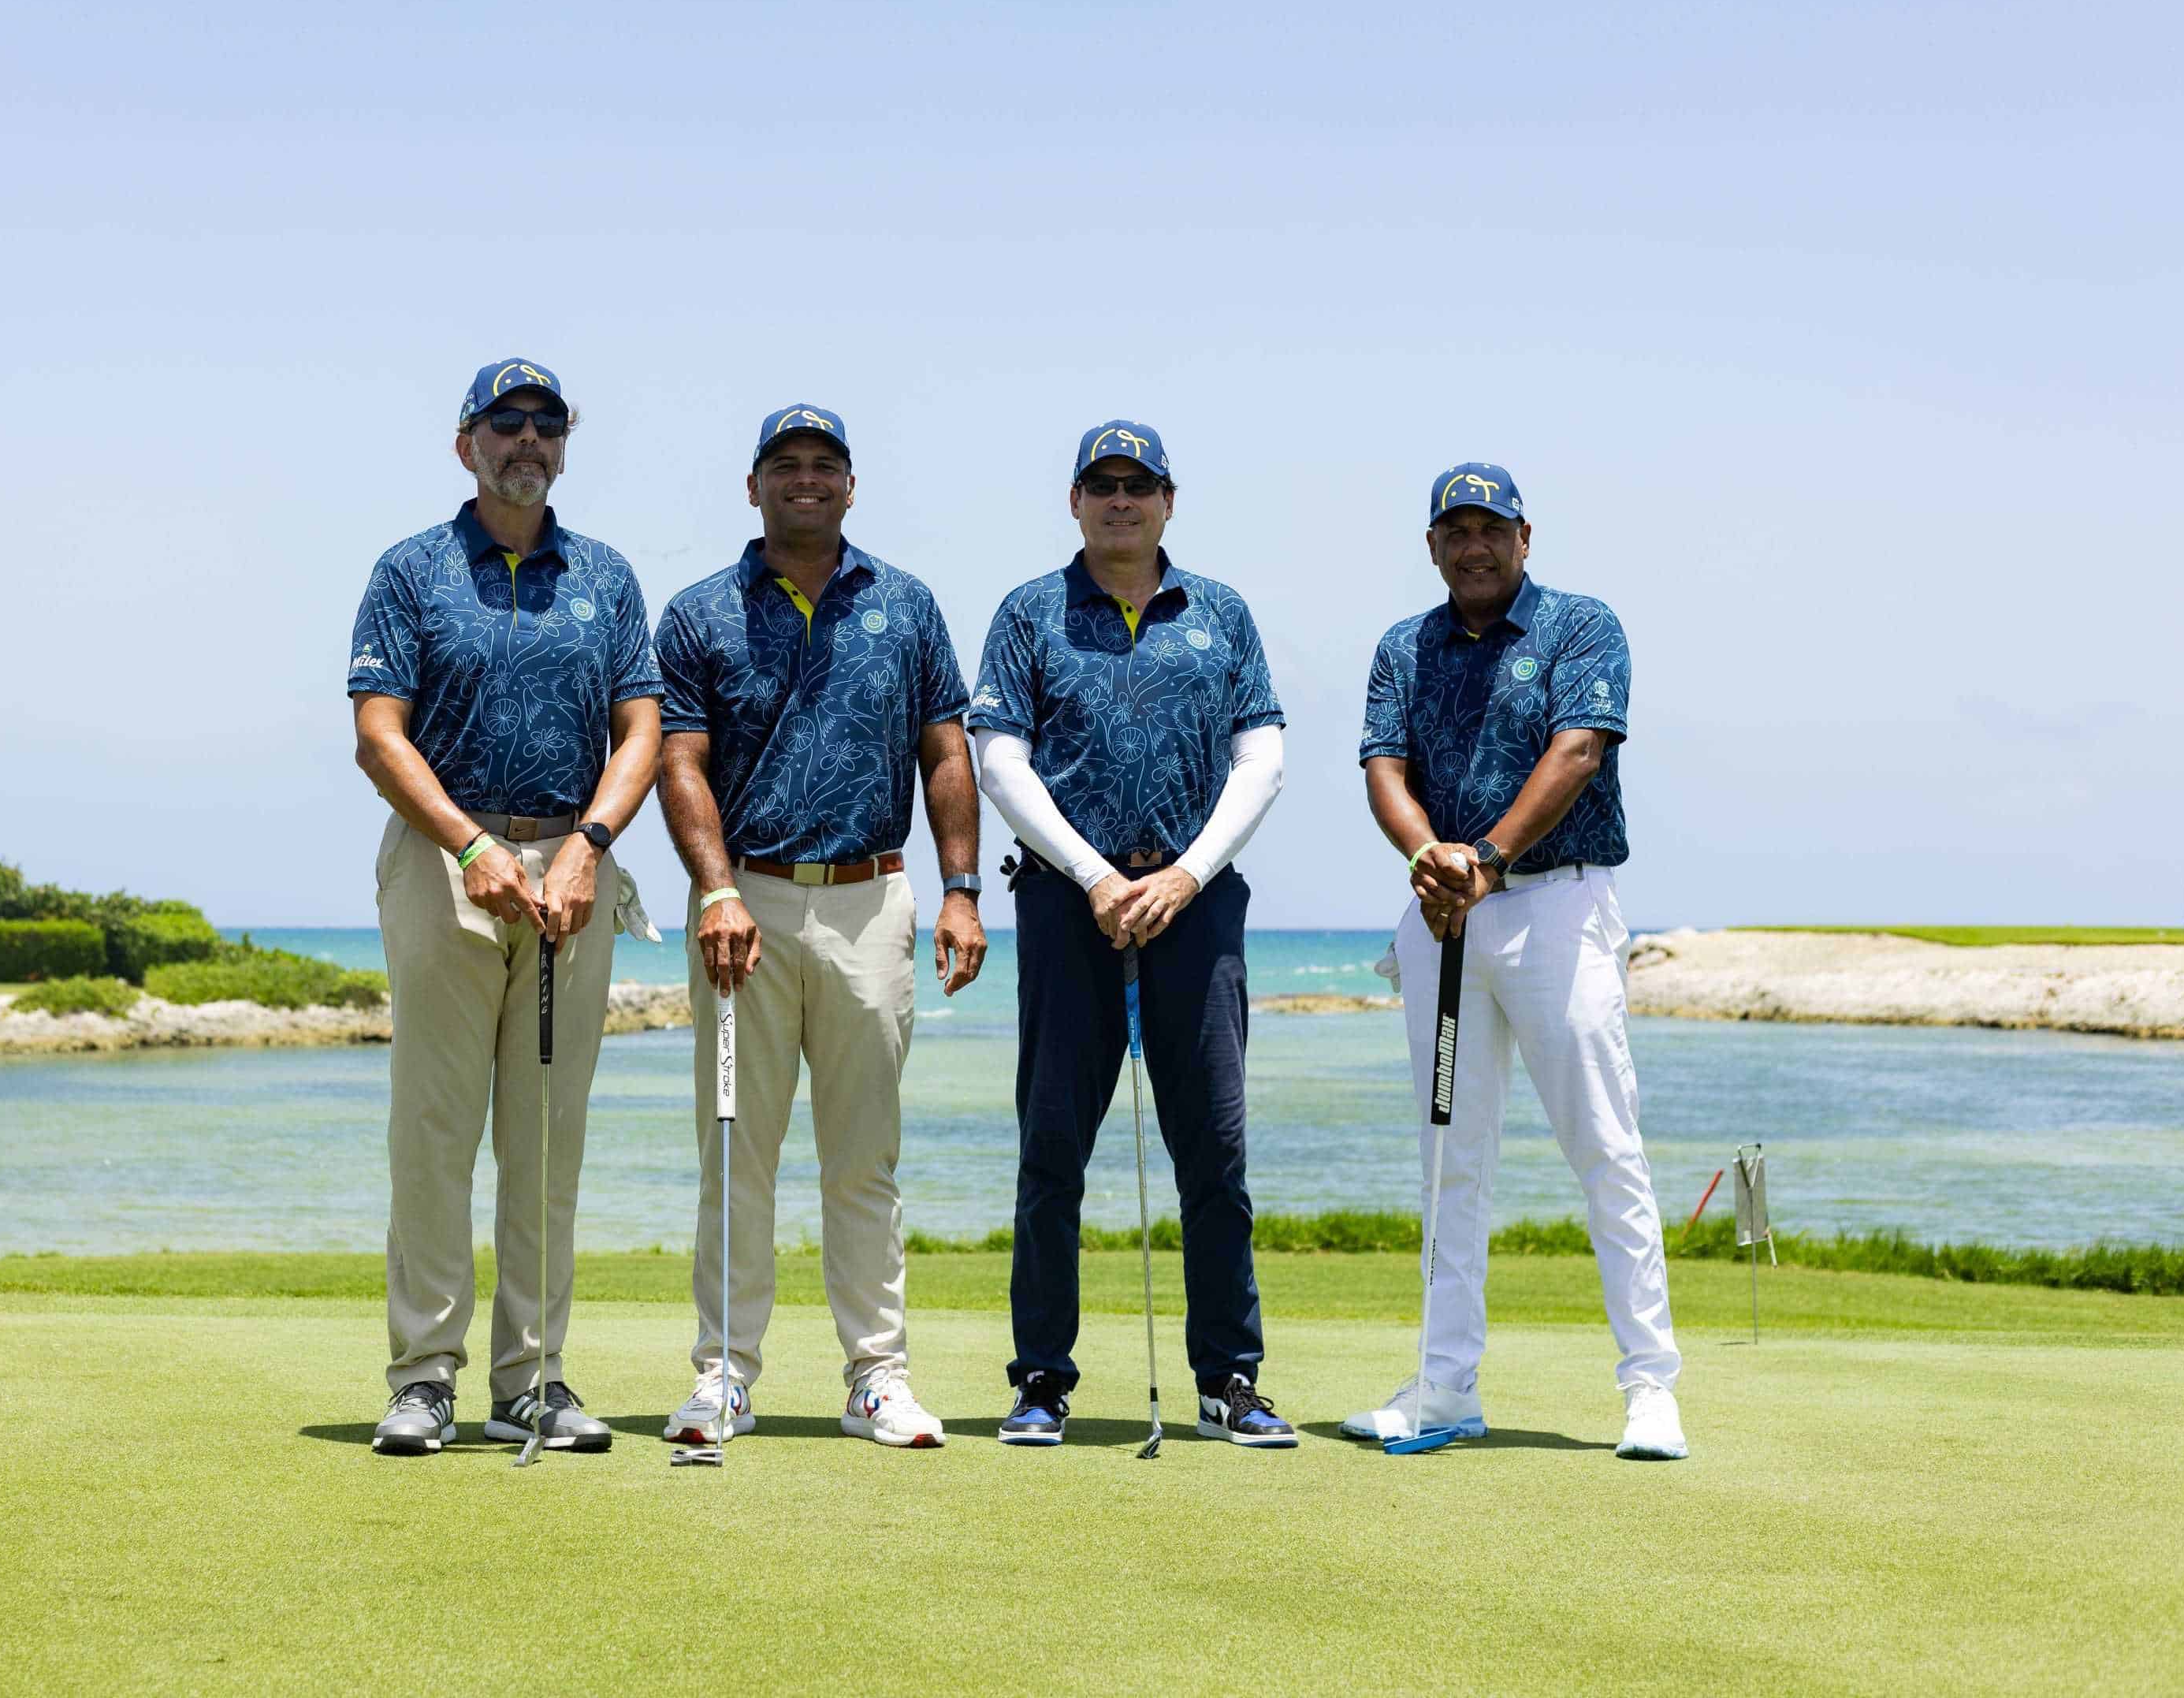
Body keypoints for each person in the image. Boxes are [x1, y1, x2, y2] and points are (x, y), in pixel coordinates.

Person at [653, 404, 987, 1450]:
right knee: (735, 1157)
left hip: (870, 897)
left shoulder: (907, 605)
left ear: (850, 485)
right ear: (753, 486)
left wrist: (964, 889)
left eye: (824, 466)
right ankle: (723, 1379)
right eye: (785, 466)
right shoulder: (701, 612)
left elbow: (944, 752)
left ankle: (877, 1379)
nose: (806, 480)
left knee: (862, 1162)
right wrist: (715, 890)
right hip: (743, 901)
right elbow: (680, 762)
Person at [347, 357, 662, 1457]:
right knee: (435, 1131)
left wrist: (587, 849)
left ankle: (532, 1379)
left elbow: (642, 733)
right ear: (466, 443)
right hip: (448, 863)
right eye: (505, 422)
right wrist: (473, 844)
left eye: (545, 424)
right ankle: (425, 1377)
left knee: (546, 1138)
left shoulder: (608, 577)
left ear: (564, 443)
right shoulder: (412, 571)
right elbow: (379, 733)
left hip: (574, 871)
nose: (526, 439)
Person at [1345, 462, 1687, 1461]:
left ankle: (1650, 1389)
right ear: (1433, 546)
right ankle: (1446, 1387)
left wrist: (1485, 858)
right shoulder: (1403, 646)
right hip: (1444, 914)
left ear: (1525, 537)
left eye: (1490, 528)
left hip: (1556, 907)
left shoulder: (1583, 626)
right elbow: (1383, 767)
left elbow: (1578, 752)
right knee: (1452, 1160)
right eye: (1455, 531)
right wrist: (1429, 857)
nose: (1474, 546)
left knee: (1605, 1150)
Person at [968, 423, 1296, 1450]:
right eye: (1102, 486)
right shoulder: (1029, 613)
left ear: (1168, 499)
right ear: (1075, 501)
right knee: (1053, 1147)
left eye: (1139, 485)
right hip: (1072, 906)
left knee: (1216, 1155)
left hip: (1195, 907)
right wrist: (1100, 876)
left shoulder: (1221, 614)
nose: (1122, 501)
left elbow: (1262, 755)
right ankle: (1041, 1379)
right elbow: (1000, 761)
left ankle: (1229, 1377)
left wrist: (1184, 875)